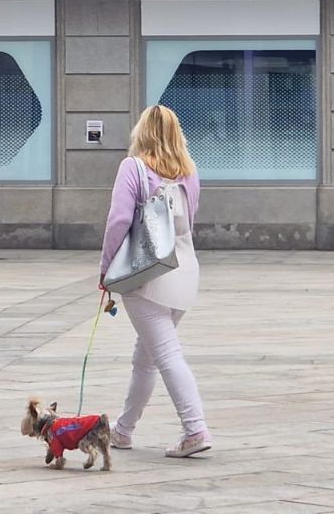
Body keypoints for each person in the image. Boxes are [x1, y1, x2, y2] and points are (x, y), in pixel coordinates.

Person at [99, 104, 210, 459]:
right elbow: (189, 221)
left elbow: (118, 221)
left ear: (141, 133)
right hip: (183, 271)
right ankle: (123, 430)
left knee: (165, 355)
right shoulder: (190, 172)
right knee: (145, 358)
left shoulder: (133, 167)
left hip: (145, 276)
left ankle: (195, 429)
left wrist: (106, 270)